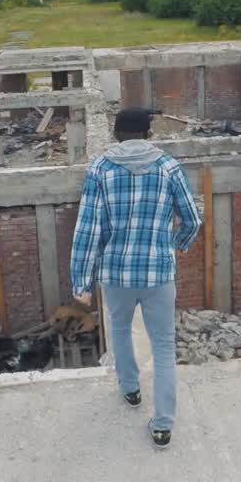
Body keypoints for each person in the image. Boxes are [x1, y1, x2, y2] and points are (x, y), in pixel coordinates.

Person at [70, 108, 202, 448]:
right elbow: (193, 219)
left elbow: (87, 230)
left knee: (120, 329)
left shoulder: (101, 169)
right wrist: (176, 245)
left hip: (116, 274)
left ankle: (130, 389)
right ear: (148, 134)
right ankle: (162, 426)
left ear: (116, 134)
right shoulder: (168, 167)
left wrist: (81, 281)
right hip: (159, 274)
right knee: (164, 346)